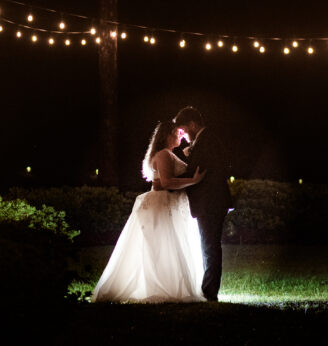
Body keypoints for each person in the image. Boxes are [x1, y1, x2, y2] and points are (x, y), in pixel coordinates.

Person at [90, 119, 206, 303]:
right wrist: (194, 180)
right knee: (163, 246)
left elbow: (164, 180)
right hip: (163, 205)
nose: (180, 136)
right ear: (167, 135)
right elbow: (167, 182)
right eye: (177, 134)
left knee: (168, 246)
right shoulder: (164, 155)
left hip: (168, 204)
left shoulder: (166, 154)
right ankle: (163, 286)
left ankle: (171, 284)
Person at [170, 106, 233, 302]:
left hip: (210, 201)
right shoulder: (206, 141)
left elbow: (198, 172)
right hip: (212, 200)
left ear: (192, 124)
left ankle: (209, 292)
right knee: (209, 245)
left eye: (184, 130)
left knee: (210, 245)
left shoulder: (207, 141)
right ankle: (209, 290)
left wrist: (169, 183)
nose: (183, 136)